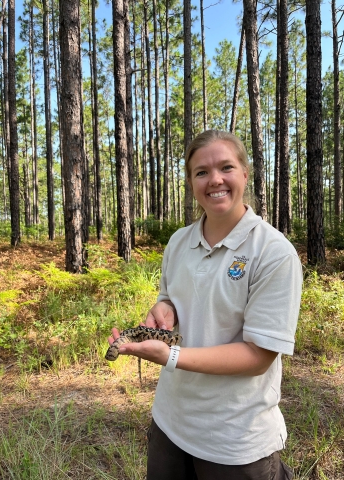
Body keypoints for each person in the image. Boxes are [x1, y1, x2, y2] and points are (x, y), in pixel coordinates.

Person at [108, 130, 302, 479]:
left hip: (235, 441)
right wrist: (165, 309)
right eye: (201, 172)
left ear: (245, 173)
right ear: (191, 181)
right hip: (170, 424)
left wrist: (171, 356)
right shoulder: (179, 242)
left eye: (226, 167)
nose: (215, 180)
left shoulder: (273, 253)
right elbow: (171, 298)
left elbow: (259, 357)